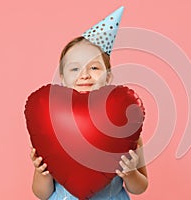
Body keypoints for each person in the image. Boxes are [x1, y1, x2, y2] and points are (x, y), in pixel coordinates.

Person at [29, 7, 148, 200]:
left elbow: (140, 187)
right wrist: (41, 172)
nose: (84, 74)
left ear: (108, 76)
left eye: (93, 67)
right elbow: (42, 194)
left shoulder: (125, 123)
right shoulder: (48, 124)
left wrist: (131, 173)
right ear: (63, 77)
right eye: (74, 68)